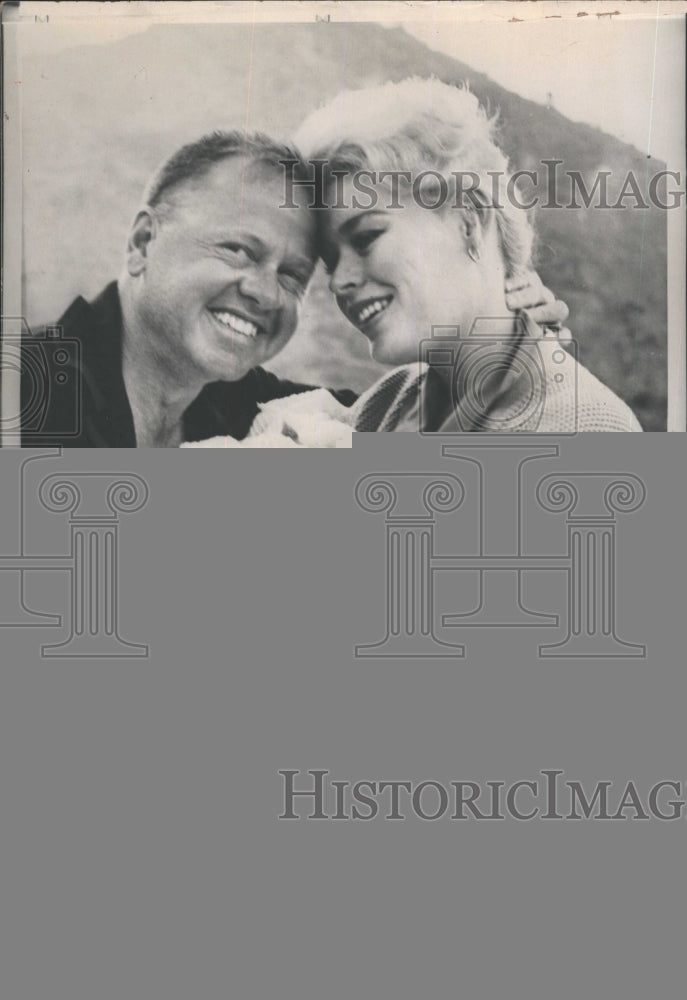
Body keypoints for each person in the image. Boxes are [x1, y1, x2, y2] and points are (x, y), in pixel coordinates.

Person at [19, 129, 568, 447]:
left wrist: (510, 343)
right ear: (143, 242)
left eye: (292, 277)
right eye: (238, 250)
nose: (264, 293)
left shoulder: (251, 411)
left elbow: (414, 424)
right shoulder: (27, 392)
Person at [292, 78, 643, 432]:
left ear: (470, 221)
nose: (338, 281)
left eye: (366, 237)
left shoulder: (590, 429)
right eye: (331, 261)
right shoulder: (387, 403)